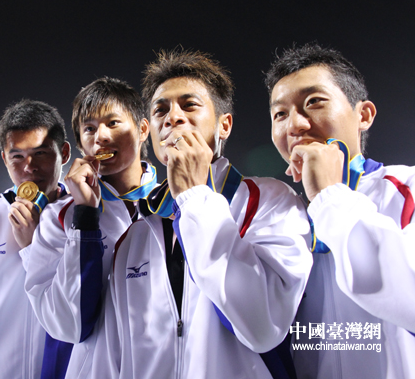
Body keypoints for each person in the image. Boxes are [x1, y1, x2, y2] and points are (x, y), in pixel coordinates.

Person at [91, 49, 313, 378]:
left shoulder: (269, 200)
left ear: (224, 125)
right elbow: (112, 358)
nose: (173, 118)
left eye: (189, 105)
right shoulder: (135, 234)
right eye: (160, 110)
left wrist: (194, 196)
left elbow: (264, 326)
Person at [266, 43, 415, 379]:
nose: (295, 125)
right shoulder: (277, 216)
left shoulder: (407, 188)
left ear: (364, 115)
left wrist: (329, 195)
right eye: (280, 114)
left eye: (314, 102)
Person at [24, 77, 156, 378]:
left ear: (142, 129)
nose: (101, 137)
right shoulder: (59, 217)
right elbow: (66, 325)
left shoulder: (174, 207)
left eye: (113, 123)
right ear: (80, 144)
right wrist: (85, 216)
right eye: (89, 129)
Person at [0, 99, 71, 379]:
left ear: (64, 153)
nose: (29, 167)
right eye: (17, 156)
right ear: (4, 159)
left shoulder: (86, 222)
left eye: (41, 153)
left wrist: (34, 247)